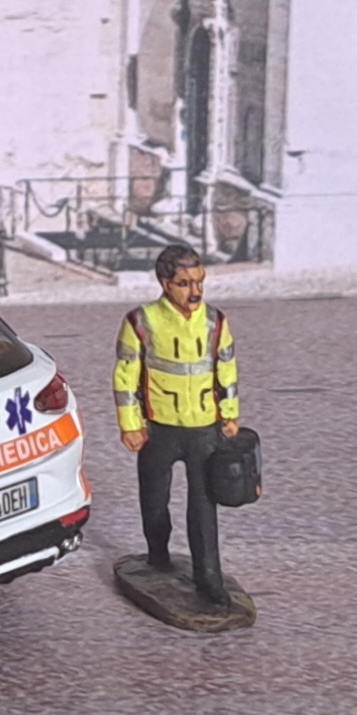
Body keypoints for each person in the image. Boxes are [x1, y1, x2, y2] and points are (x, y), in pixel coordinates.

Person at [113, 243, 241, 607]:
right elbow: (125, 378)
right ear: (164, 283)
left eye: (199, 281)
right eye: (185, 283)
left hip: (204, 427)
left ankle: (209, 578)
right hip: (159, 428)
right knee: (154, 499)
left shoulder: (216, 322)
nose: (195, 291)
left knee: (203, 506)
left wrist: (230, 414)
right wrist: (130, 424)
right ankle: (157, 556)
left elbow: (227, 371)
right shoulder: (141, 322)